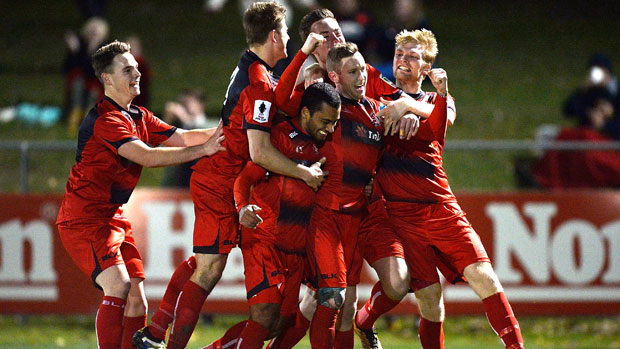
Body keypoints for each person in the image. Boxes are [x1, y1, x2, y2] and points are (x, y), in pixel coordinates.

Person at [132, 3, 327, 348]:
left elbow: (275, 96)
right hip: (220, 180)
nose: (286, 40)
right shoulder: (257, 82)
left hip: (224, 178)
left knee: (202, 264)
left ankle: (156, 332)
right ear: (272, 36)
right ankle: (162, 341)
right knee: (208, 270)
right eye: (283, 33)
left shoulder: (252, 67)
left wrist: (301, 74)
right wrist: (302, 172)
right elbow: (260, 151)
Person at [55, 40, 225, 349]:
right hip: (84, 220)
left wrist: (232, 128)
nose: (137, 73)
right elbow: (146, 156)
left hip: (112, 217)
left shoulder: (139, 115)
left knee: (137, 302)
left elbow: (183, 136)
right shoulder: (106, 120)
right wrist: (204, 150)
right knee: (117, 285)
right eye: (127, 69)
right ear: (107, 79)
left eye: (135, 67)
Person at [366, 28, 524, 349]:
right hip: (401, 215)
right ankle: (365, 321)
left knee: (485, 277)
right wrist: (395, 109)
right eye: (400, 55)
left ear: (427, 68)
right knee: (430, 300)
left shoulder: (439, 101)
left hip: (441, 208)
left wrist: (409, 106)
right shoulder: (377, 100)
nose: (403, 61)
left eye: (413, 56)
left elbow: (444, 118)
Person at [203, 82, 341, 349]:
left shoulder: (326, 148)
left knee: (280, 322)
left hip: (296, 249)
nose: (330, 128)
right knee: (264, 313)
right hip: (265, 240)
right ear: (305, 114)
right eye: (325, 121)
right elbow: (244, 179)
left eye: (334, 123)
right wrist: (242, 207)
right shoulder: (279, 137)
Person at [533, 85, 620, 188]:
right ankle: (545, 178)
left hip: (609, 145)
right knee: (564, 136)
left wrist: (605, 125)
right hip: (589, 137)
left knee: (586, 144)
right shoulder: (594, 92)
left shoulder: (615, 95)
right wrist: (582, 91)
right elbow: (569, 110)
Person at [161, 88, 217, 187]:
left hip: (204, 186)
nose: (184, 106)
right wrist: (167, 123)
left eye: (188, 102)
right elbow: (158, 151)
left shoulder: (212, 125)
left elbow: (202, 134)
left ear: (201, 105)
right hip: (175, 187)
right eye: (182, 103)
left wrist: (186, 119)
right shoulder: (176, 129)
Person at [63, 16, 109, 133]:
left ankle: (88, 122)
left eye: (96, 33)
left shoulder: (105, 49)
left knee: (93, 92)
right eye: (91, 32)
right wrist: (74, 51)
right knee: (78, 85)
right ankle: (75, 116)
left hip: (98, 82)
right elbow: (69, 68)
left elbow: (95, 71)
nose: (93, 36)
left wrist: (91, 52)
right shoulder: (81, 47)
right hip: (83, 80)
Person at [563, 53, 620, 139]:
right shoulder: (589, 91)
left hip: (610, 142)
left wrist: (605, 123)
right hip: (586, 139)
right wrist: (582, 91)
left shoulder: (616, 92)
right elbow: (568, 110)